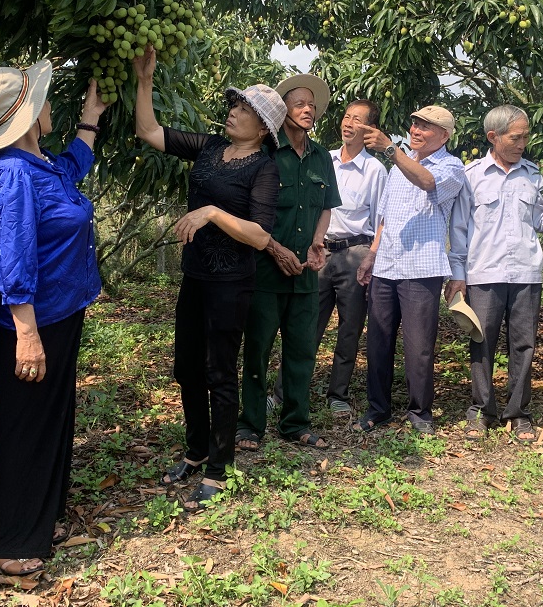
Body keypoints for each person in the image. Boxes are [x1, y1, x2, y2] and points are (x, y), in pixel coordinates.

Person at [0, 60, 108, 576]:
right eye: (45, 100)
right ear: (29, 116)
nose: (52, 106)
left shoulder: (43, 163)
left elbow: (74, 169)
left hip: (62, 312)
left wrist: (90, 120)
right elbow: (15, 256)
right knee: (22, 427)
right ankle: (12, 537)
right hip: (32, 323)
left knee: (52, 418)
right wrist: (26, 335)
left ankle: (42, 515)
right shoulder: (13, 173)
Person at [133, 49, 285, 511]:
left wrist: (213, 212)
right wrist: (145, 80)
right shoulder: (209, 148)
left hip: (230, 283)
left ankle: (220, 466)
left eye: (244, 110)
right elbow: (149, 131)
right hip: (195, 277)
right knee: (186, 368)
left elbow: (260, 236)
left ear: (262, 130)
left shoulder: (265, 168)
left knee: (220, 370)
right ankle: (197, 450)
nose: (233, 112)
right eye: (234, 105)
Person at [446, 105, 543, 442]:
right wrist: (457, 274)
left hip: (526, 273)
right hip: (484, 272)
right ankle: (481, 412)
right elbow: (458, 231)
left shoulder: (532, 173)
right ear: (493, 137)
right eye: (516, 137)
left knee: (524, 345)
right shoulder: (471, 176)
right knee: (481, 343)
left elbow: (540, 220)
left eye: (526, 137)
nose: (523, 143)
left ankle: (518, 414)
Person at [236, 74, 341, 450]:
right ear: (282, 112)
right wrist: (272, 249)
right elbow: (248, 213)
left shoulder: (320, 157)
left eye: (311, 104)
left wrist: (317, 240)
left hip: (306, 277)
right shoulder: (264, 153)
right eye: (299, 103)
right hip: (264, 272)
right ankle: (250, 424)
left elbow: (326, 207)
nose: (307, 109)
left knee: (301, 351)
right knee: (258, 349)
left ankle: (296, 423)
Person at [270, 99, 388, 418]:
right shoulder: (323, 158)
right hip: (320, 251)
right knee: (305, 324)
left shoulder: (375, 171)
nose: (349, 124)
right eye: (347, 117)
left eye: (358, 120)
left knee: (350, 329)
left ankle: (338, 394)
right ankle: (284, 392)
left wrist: (370, 258)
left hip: (355, 253)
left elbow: (381, 220)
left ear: (370, 129)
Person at [354, 106, 466, 435]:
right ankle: (378, 408)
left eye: (426, 126)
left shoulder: (452, 166)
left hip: (421, 268)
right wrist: (371, 255)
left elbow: (427, 182)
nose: (416, 129)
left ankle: (420, 412)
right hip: (387, 265)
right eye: (414, 122)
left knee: (418, 346)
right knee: (378, 340)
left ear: (444, 135)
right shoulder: (397, 169)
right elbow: (385, 219)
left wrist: (391, 149)